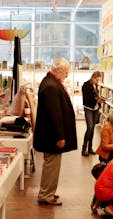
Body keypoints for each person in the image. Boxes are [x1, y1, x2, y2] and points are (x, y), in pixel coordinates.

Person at [33, 58, 77, 206]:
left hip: (49, 135)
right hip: (52, 136)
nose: (66, 75)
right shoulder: (51, 86)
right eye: (65, 72)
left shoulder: (50, 82)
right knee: (51, 165)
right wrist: (59, 136)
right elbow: (54, 114)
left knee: (51, 165)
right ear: (58, 70)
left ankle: (48, 191)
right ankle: (46, 194)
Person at [81, 71, 105, 156]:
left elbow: (95, 96)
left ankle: (90, 147)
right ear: (93, 77)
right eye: (97, 80)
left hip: (95, 108)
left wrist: (99, 98)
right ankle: (84, 148)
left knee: (92, 128)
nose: (97, 82)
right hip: (88, 108)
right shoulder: (86, 85)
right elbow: (87, 98)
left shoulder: (96, 85)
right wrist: (97, 100)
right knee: (90, 127)